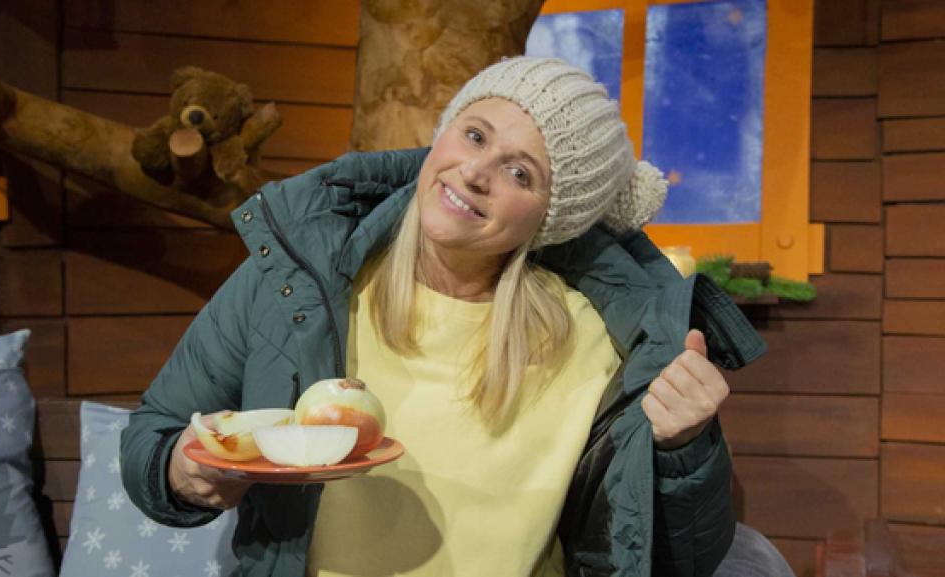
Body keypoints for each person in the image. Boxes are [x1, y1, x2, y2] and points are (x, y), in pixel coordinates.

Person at [120, 57, 771, 576]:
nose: (476, 172)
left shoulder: (603, 341)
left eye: (520, 173)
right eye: (475, 134)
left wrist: (684, 449)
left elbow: (682, 558)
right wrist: (180, 471)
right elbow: (155, 432)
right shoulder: (298, 280)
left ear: (552, 219)